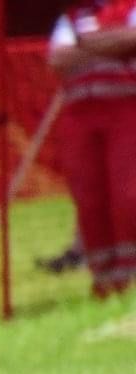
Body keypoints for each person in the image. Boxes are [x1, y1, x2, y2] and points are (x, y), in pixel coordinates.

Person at [48, 0, 136, 297]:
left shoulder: (130, 8)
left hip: (127, 110)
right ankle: (103, 277)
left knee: (128, 195)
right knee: (89, 199)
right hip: (80, 117)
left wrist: (84, 45)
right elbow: (58, 60)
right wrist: (109, 44)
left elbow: (132, 39)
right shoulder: (72, 15)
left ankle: (129, 274)